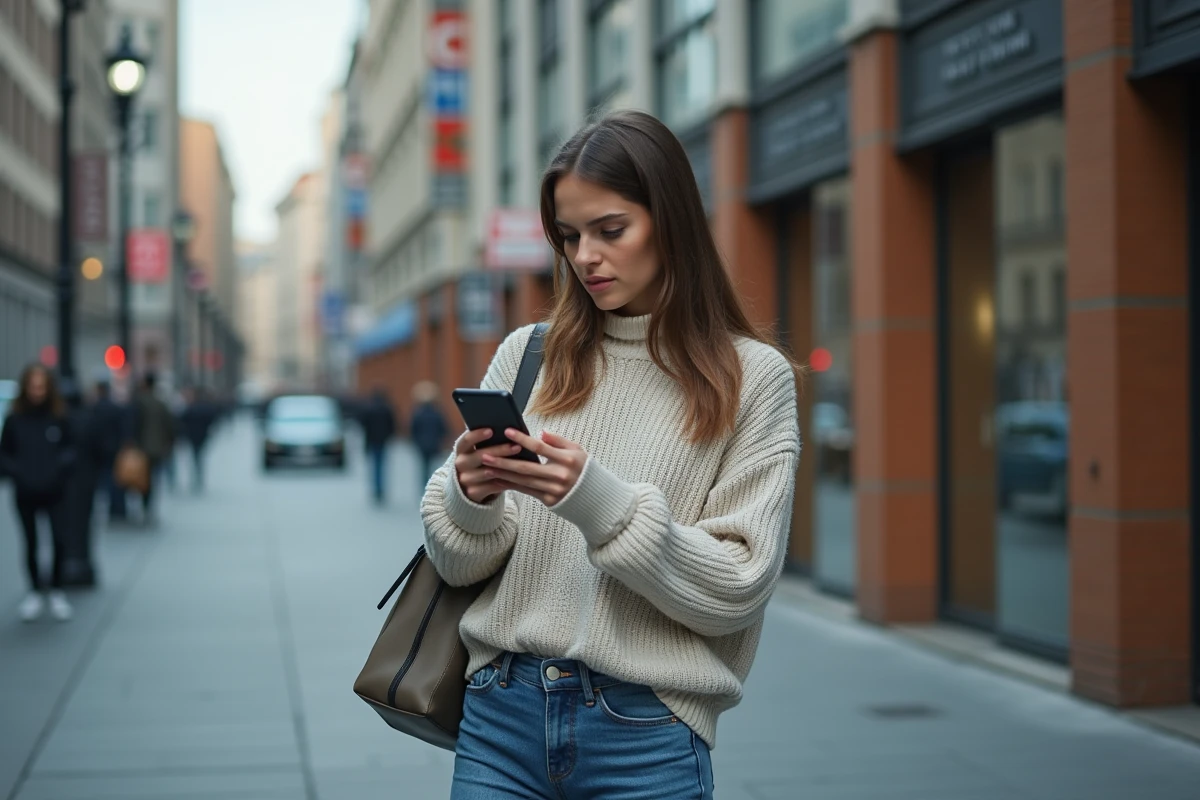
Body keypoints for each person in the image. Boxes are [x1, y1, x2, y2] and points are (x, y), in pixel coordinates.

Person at [420, 110, 801, 799]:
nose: (584, 257)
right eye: (568, 236)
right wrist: (470, 499)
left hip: (646, 733)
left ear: (671, 221)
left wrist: (596, 502)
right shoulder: (528, 355)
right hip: (499, 716)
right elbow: (457, 563)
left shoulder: (752, 377)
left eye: (610, 230)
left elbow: (739, 586)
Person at [0, 364, 77, 622]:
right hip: (26, 491)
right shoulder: (14, 419)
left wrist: (57, 470)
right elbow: (5, 454)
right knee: (30, 542)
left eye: (41, 386)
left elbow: (71, 449)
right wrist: (20, 472)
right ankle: (34, 590)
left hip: (55, 491)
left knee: (59, 540)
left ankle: (56, 590)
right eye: (33, 386)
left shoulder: (59, 417)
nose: (37, 391)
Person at [131, 373, 175, 524]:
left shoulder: (139, 402)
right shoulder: (160, 403)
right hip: (157, 448)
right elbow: (170, 426)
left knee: (143, 480)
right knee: (152, 479)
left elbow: (133, 425)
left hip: (142, 448)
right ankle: (148, 508)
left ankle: (145, 506)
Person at [91, 380, 128, 522]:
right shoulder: (116, 408)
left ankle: (111, 507)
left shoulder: (95, 408)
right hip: (114, 449)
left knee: (104, 480)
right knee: (116, 481)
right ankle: (118, 508)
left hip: (100, 450)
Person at [408, 381, 448, 499]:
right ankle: (432, 488)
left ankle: (425, 488)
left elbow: (413, 429)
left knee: (423, 467)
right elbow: (444, 428)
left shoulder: (417, 413)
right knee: (433, 467)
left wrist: (415, 442)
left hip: (422, 445)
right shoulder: (437, 412)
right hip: (434, 444)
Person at [360, 388, 396, 504]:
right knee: (382, 465)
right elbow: (392, 425)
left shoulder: (369, 408)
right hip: (383, 441)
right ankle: (381, 489)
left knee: (375, 465)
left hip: (372, 441)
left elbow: (363, 425)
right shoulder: (386, 408)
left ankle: (376, 489)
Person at [179, 387, 217, 492]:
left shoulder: (190, 408)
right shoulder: (206, 408)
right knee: (199, 456)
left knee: (195, 456)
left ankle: (197, 476)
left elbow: (183, 421)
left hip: (192, 436)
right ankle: (199, 476)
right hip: (203, 436)